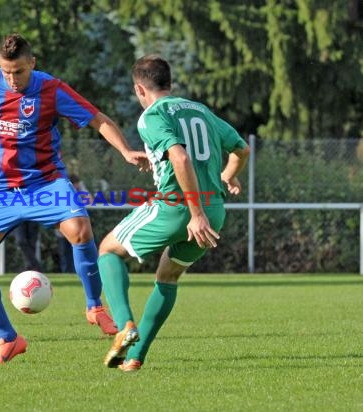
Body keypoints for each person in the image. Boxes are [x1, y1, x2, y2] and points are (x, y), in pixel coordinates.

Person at [0, 33, 148, 365]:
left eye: (19, 72)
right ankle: (9, 339)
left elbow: (98, 119)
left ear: (32, 64)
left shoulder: (50, 89)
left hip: (45, 184)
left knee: (80, 229)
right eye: (6, 71)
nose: (12, 79)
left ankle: (95, 307)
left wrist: (124, 151)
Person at [97, 55, 250, 372]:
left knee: (108, 251)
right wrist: (228, 175)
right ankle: (135, 358)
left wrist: (194, 213)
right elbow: (242, 149)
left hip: (179, 208)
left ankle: (125, 325)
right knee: (167, 277)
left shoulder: (151, 115)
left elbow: (180, 158)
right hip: (214, 209)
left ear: (140, 89)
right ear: (170, 83)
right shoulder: (200, 110)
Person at [55, 174, 87, 273]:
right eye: (76, 184)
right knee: (64, 253)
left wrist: (82, 188)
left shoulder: (79, 192)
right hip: (63, 231)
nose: (76, 186)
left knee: (77, 252)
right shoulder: (61, 192)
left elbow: (90, 200)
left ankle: (78, 271)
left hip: (78, 230)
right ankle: (66, 272)